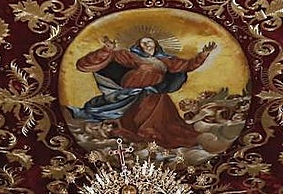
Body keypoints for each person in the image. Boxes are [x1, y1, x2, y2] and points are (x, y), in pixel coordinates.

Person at [68, 35, 217, 149]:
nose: (146, 45)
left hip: (155, 94)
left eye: (149, 42)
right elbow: (86, 63)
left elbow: (187, 65)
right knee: (127, 114)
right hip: (133, 90)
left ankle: (152, 137)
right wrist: (107, 50)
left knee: (164, 124)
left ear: (155, 44)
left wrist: (203, 55)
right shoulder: (131, 56)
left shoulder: (166, 61)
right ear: (139, 46)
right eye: (143, 43)